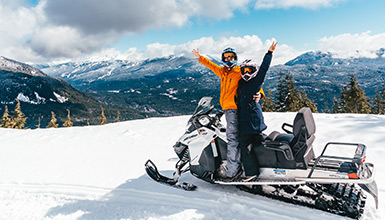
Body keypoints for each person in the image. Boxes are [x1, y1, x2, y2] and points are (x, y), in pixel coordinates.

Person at [192, 47, 264, 181]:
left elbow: (254, 83)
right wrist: (200, 57)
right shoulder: (223, 72)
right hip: (227, 109)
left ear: (235, 57)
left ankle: (232, 171)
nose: (228, 59)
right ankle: (237, 163)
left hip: (234, 110)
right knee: (233, 137)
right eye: (226, 57)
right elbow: (211, 66)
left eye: (231, 57)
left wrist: (260, 94)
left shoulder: (239, 72)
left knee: (232, 139)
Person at [236, 41, 277, 182]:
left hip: (251, 122)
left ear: (254, 71)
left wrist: (269, 53)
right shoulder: (241, 83)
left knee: (244, 146)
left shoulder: (255, 83)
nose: (246, 73)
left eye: (250, 70)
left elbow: (264, 69)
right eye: (244, 70)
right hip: (249, 121)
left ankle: (251, 172)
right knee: (256, 143)